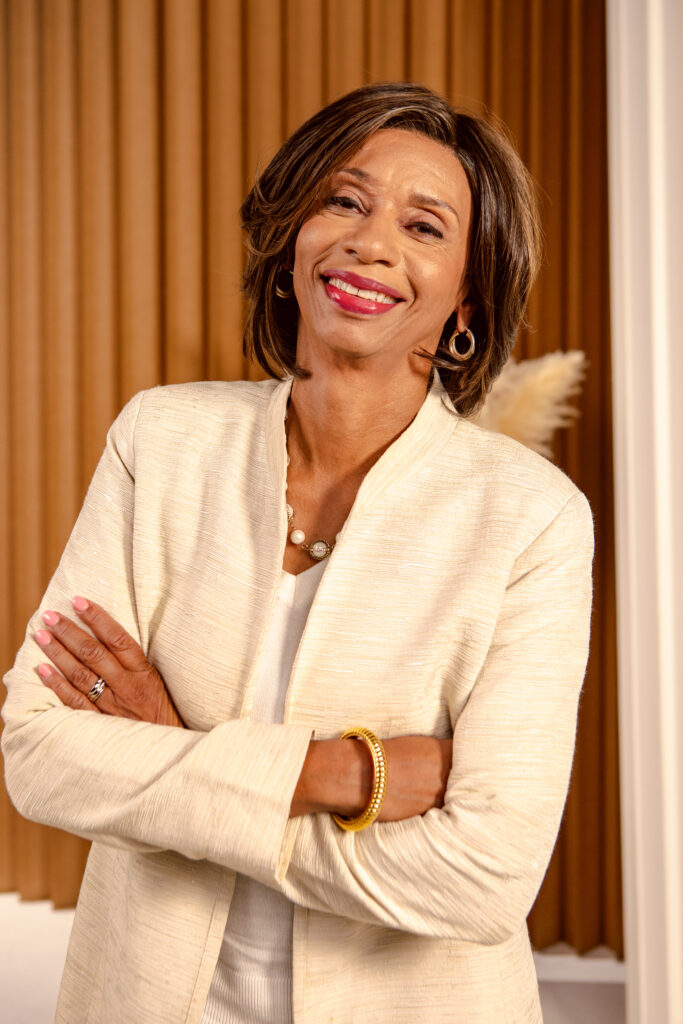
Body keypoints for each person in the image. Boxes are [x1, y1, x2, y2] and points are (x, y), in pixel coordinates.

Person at [1, 82, 594, 1024]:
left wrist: (182, 767)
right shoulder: (160, 441)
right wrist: (338, 775)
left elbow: (484, 878)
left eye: (424, 226)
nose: (371, 242)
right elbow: (38, 753)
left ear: (466, 297)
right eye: (343, 200)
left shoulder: (530, 518)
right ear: (291, 243)